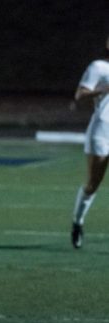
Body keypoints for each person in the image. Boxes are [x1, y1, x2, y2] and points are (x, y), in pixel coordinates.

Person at [71, 35, 109, 249]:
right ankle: (78, 222)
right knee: (93, 184)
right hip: (102, 132)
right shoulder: (99, 67)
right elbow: (80, 94)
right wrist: (103, 89)